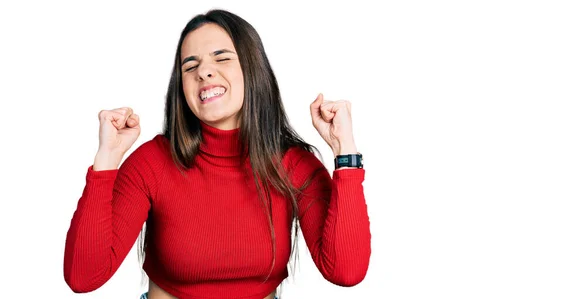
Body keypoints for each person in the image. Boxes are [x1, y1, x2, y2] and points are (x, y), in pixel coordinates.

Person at [63, 9, 371, 299]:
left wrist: (346, 152)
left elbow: (346, 271)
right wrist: (106, 159)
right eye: (190, 66)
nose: (204, 73)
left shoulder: (293, 165)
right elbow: (83, 278)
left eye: (221, 59)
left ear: (252, 69)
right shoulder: (151, 163)